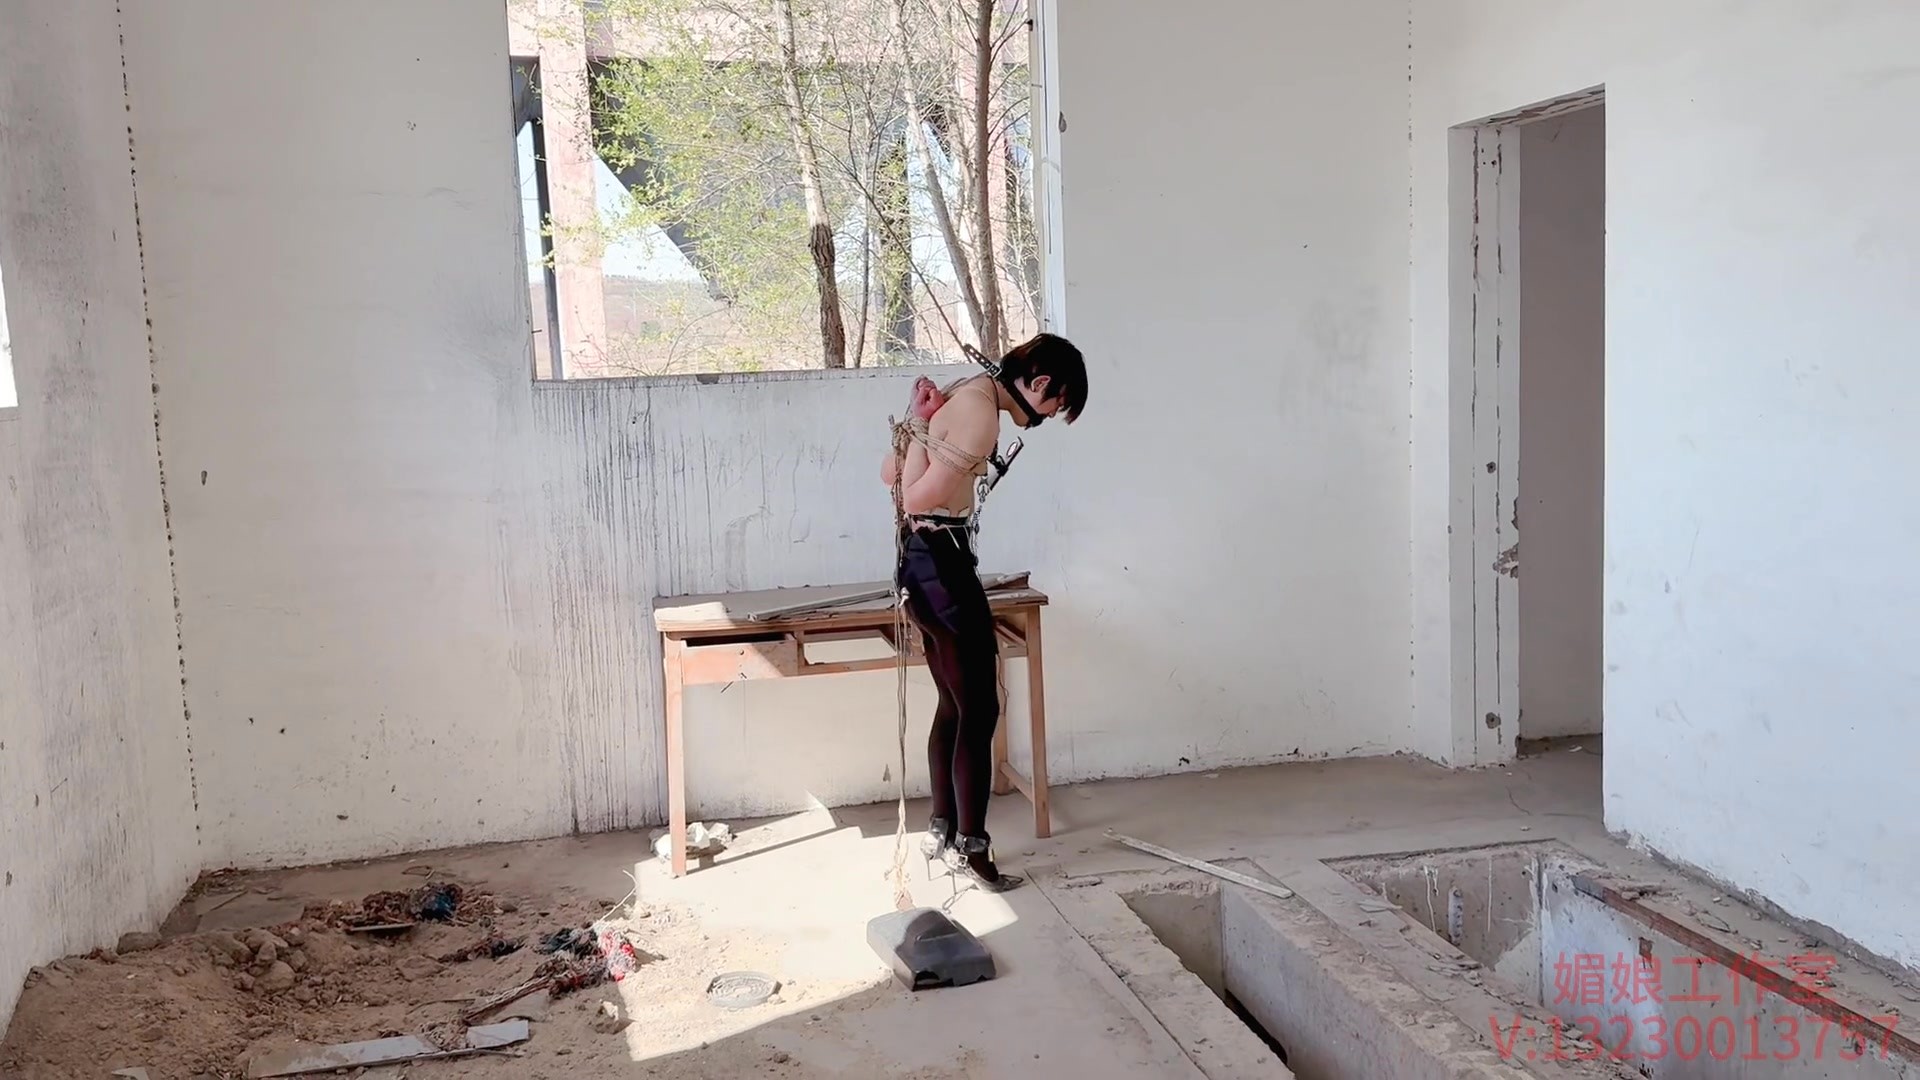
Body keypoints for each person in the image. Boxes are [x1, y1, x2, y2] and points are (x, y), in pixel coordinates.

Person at [879, 333, 1088, 891]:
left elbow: (890, 474)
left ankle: (942, 830)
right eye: (1056, 403)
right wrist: (920, 429)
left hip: (920, 564)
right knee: (980, 709)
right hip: (941, 567)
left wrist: (919, 424)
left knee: (955, 704)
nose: (1049, 415)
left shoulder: (960, 393)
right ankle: (972, 848)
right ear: (1040, 383)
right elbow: (911, 497)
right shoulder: (980, 415)